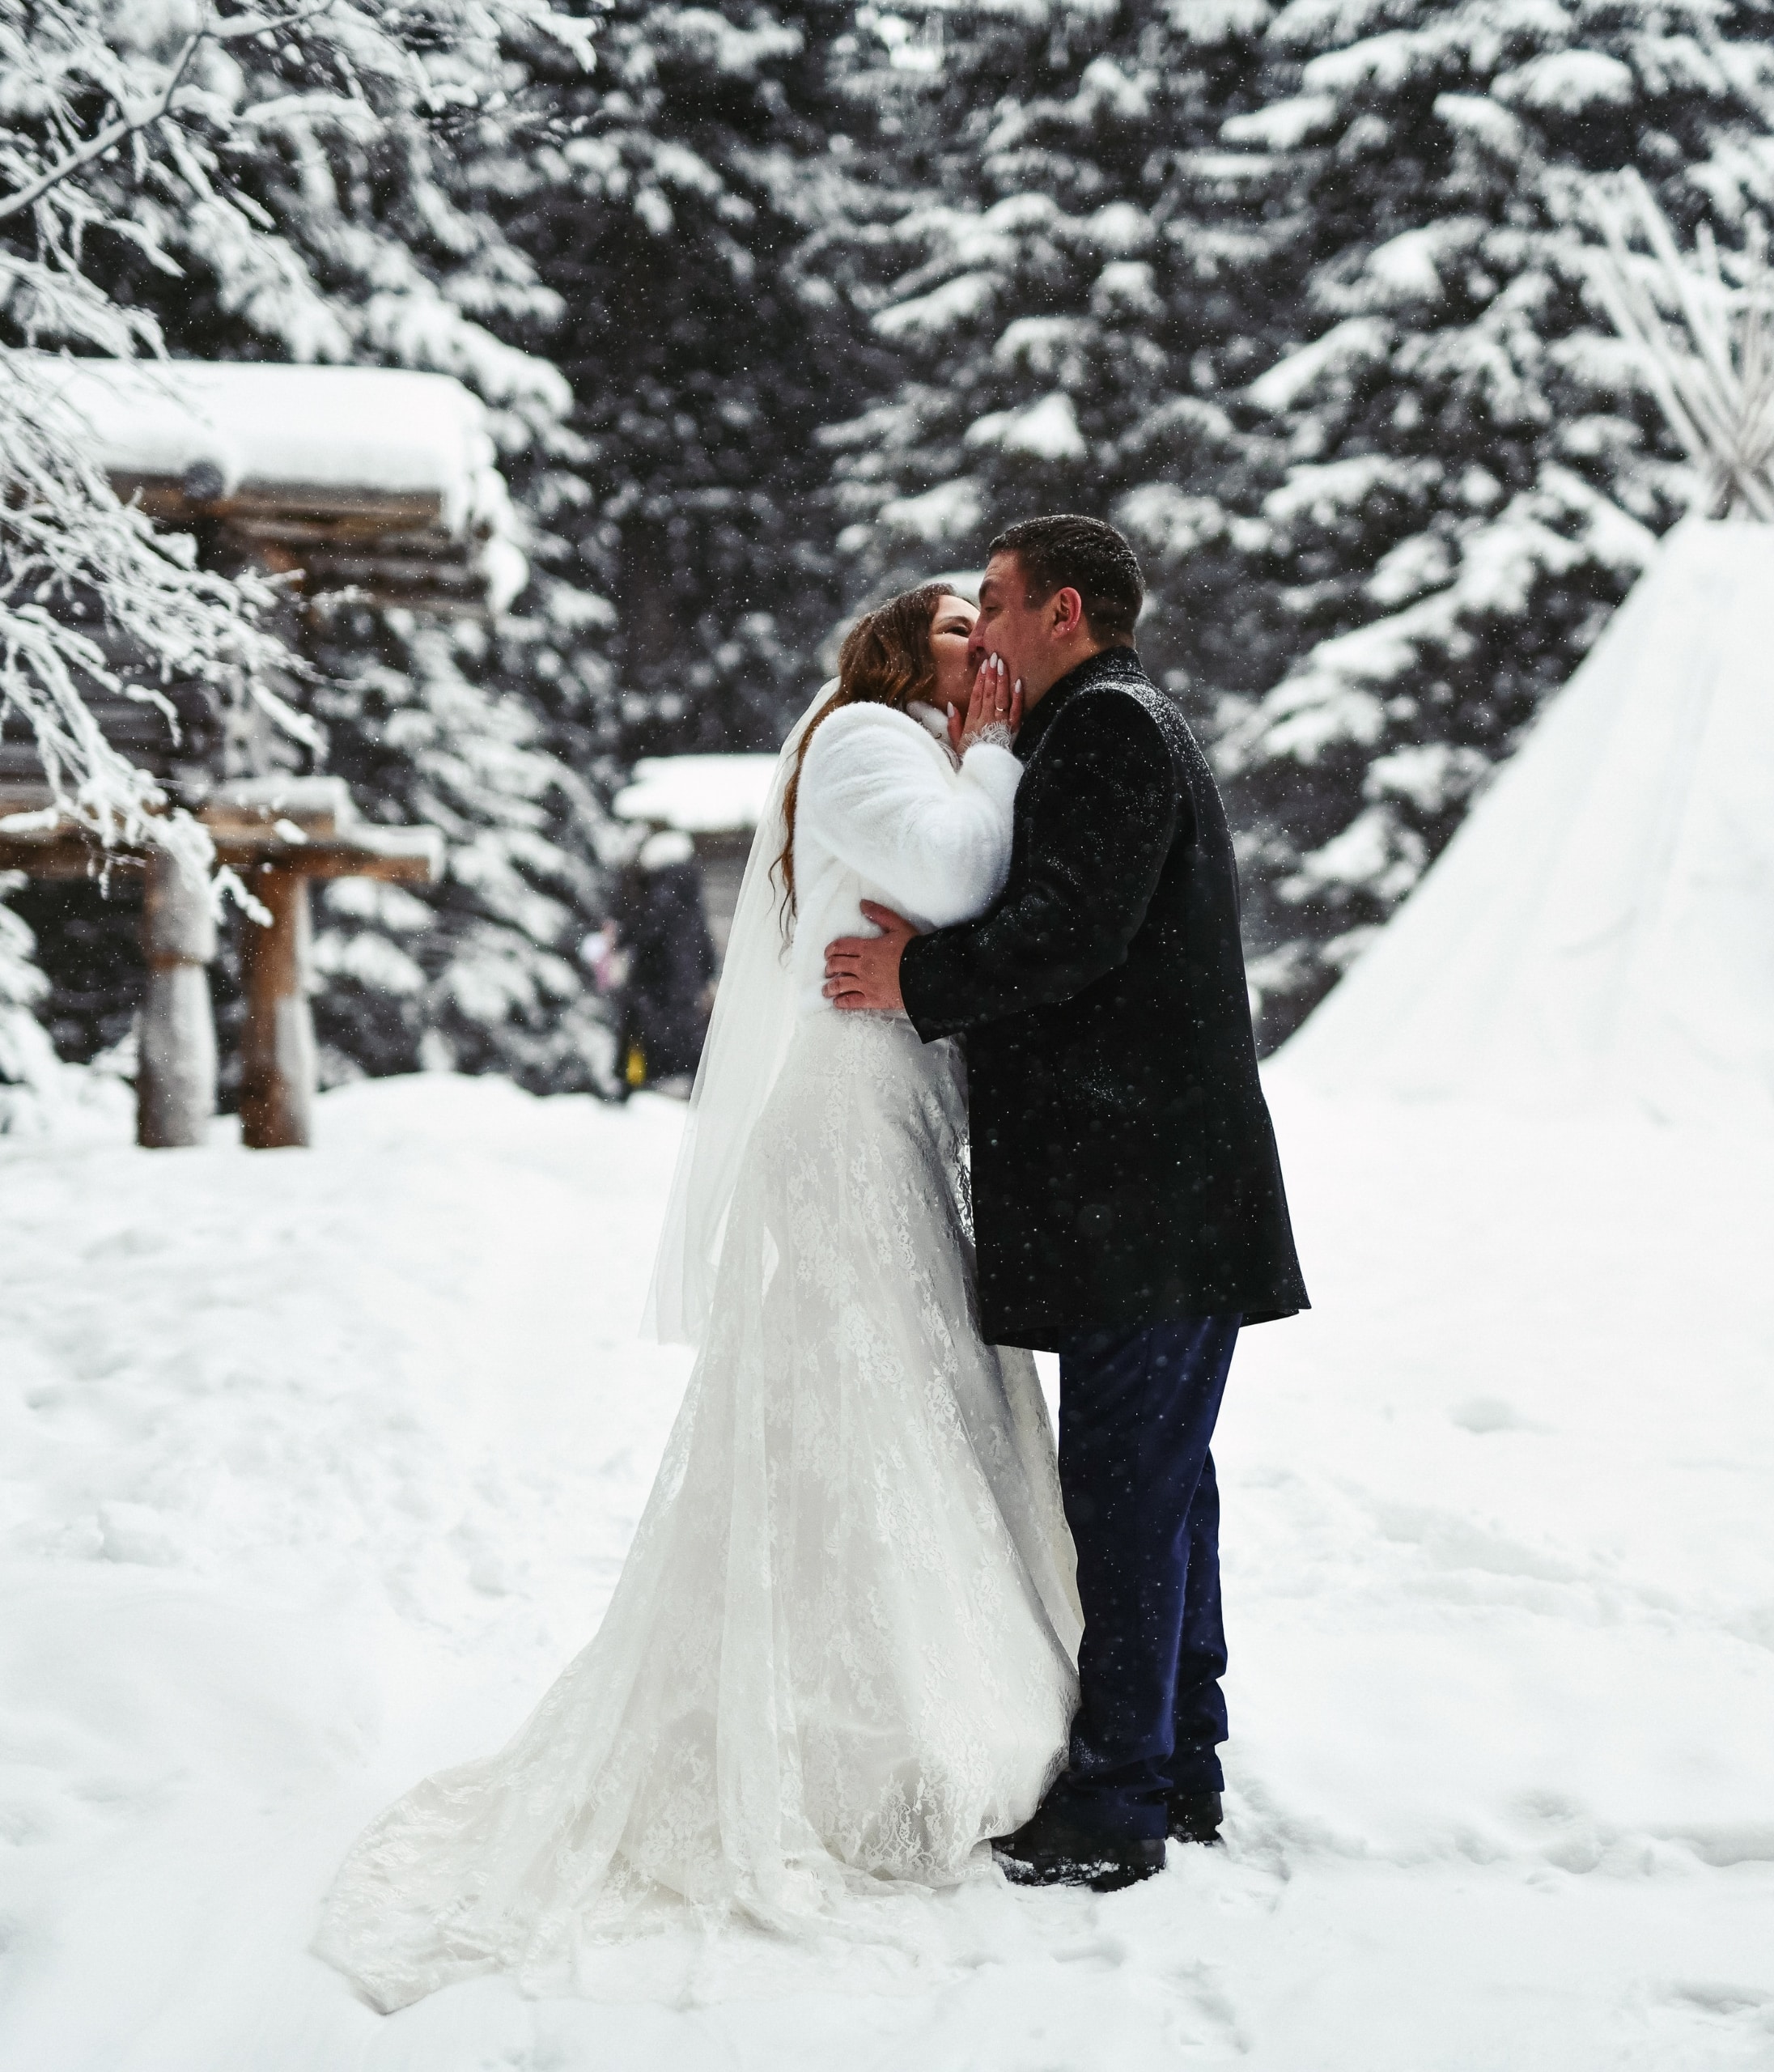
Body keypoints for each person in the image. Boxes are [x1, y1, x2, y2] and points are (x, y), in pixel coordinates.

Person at [314, 586, 1080, 2012]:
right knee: (868, 1406)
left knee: (918, 1398)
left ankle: (928, 1694)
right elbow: (963, 877)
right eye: (961, 629)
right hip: (846, 1122)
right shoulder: (866, 740)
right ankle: (867, 1730)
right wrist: (990, 749)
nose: (988, 647)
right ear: (901, 652)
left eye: (992, 628)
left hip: (894, 1112)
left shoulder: (917, 740)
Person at [824, 514, 1308, 1892]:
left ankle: (1118, 1804)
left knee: (1128, 1494)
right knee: (1160, 1490)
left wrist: (917, 982)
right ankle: (1180, 1762)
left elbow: (1072, 933)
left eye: (998, 599)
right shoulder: (1114, 724)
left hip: (1147, 1199)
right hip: (1163, 1197)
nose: (980, 626)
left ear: (1066, 614)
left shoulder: (1106, 731)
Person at [609, 830, 718, 1097]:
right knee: (685, 1035)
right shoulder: (691, 891)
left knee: (639, 1034)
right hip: (685, 982)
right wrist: (705, 974)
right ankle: (691, 1085)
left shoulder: (663, 887)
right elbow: (703, 937)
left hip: (656, 980)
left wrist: (620, 938)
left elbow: (647, 926)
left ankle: (631, 1085)